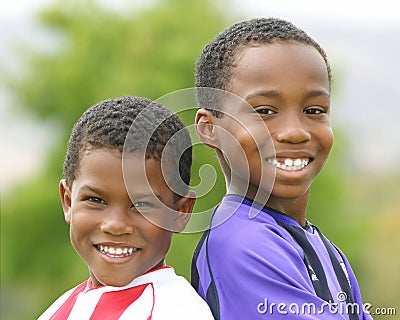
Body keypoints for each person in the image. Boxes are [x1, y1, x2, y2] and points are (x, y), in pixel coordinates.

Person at [191, 18, 373, 320]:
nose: (295, 131)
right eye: (264, 111)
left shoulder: (324, 248)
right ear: (211, 129)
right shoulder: (240, 245)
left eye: (314, 110)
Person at [38, 96, 214, 319]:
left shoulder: (175, 312)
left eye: (141, 205)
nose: (116, 225)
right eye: (95, 200)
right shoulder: (60, 308)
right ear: (68, 201)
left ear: (180, 212)